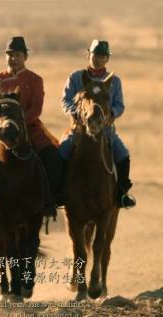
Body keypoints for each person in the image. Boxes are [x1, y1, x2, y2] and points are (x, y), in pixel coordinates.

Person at [0, 36, 63, 218]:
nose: (13, 58)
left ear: (25, 57)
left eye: (17, 55)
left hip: (29, 128)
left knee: (52, 157)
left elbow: (36, 109)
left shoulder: (35, 80)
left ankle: (50, 200)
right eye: (10, 54)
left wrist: (18, 123)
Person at [60, 39, 135, 208]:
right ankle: (57, 192)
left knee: (123, 155)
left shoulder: (114, 82)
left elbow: (119, 105)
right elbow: (65, 100)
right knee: (61, 152)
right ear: (88, 54)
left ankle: (122, 194)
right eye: (96, 55)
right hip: (78, 129)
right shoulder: (76, 77)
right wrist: (75, 112)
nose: (99, 59)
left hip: (105, 130)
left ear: (107, 59)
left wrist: (112, 114)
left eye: (103, 56)